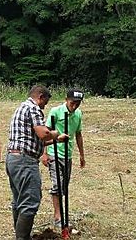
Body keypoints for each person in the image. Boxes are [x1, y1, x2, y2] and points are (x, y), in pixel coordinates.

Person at [6, 86, 68, 240]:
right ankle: (22, 238)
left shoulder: (21, 107)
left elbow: (33, 141)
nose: (44, 106)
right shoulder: (32, 108)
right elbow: (43, 133)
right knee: (30, 200)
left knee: (19, 200)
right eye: (45, 102)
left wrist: (56, 140)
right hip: (25, 161)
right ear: (40, 96)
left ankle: (20, 235)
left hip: (14, 158)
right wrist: (55, 133)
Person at [42, 88, 86, 229]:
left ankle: (62, 213)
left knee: (64, 186)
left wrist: (81, 154)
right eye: (73, 102)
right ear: (66, 100)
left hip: (68, 154)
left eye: (78, 103)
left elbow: (78, 134)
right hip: (54, 152)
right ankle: (57, 216)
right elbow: (45, 133)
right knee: (57, 185)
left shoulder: (78, 114)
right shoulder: (56, 111)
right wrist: (44, 153)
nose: (75, 106)